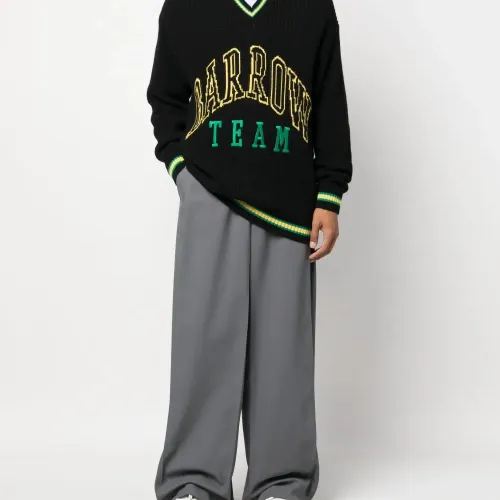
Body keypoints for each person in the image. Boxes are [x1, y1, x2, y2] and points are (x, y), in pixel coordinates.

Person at [147, 0, 352, 499]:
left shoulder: (312, 9)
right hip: (209, 192)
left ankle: (282, 481)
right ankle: (192, 480)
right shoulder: (185, 7)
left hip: (288, 203)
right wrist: (182, 170)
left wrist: (330, 192)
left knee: (283, 352)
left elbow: (329, 102)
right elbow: (165, 97)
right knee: (202, 343)